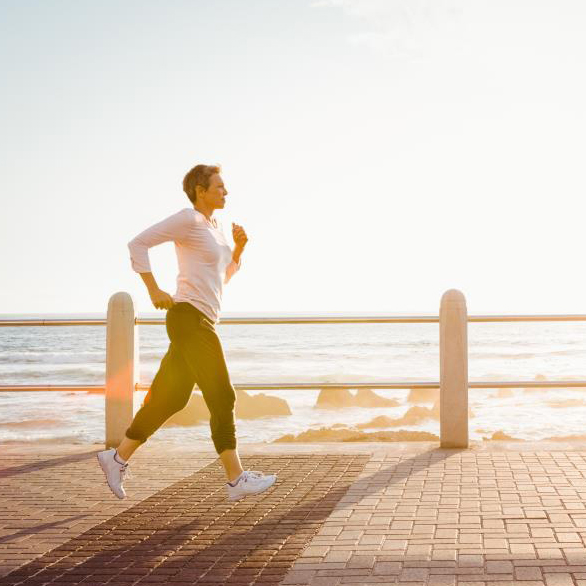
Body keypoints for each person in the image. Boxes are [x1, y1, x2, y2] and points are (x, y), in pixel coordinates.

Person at [97, 164, 277, 501]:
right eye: (219, 186)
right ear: (200, 190)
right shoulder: (188, 219)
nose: (226, 192)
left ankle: (117, 457)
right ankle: (236, 479)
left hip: (202, 319)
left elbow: (221, 277)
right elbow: (137, 244)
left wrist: (239, 249)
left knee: (171, 399)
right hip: (188, 317)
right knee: (223, 396)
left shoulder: (216, 228)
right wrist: (153, 290)